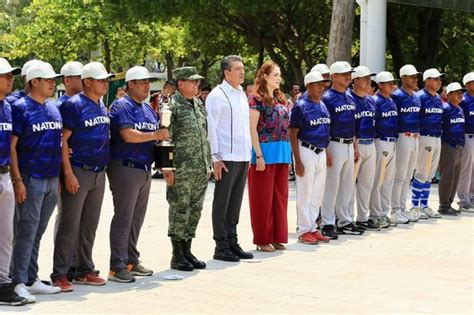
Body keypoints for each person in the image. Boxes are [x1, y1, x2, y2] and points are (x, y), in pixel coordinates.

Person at [51, 62, 113, 291]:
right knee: (70, 225)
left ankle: (84, 270)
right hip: (78, 169)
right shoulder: (74, 105)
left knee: (89, 225)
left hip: (98, 172)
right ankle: (60, 273)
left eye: (106, 79)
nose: (105, 83)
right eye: (101, 80)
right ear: (87, 81)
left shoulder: (101, 105)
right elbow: (62, 140)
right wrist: (67, 173)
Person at [107, 66, 169, 283]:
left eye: (148, 82)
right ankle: (116, 265)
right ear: (131, 83)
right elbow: (128, 136)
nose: (147, 85)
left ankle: (131, 259)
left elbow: (156, 136)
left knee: (136, 219)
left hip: (144, 168)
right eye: (142, 82)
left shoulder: (147, 108)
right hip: (125, 166)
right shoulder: (122, 105)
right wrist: (155, 133)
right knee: (124, 217)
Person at [10, 61, 62, 303]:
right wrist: (18, 180)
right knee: (25, 232)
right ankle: (17, 281)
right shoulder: (20, 108)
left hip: (51, 178)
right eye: (48, 79)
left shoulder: (53, 108)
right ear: (34, 82)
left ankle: (31, 278)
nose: (53, 83)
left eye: (54, 79)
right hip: (31, 178)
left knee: (37, 232)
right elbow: (12, 147)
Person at [163, 67, 211, 271]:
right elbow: (164, 137)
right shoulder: (171, 106)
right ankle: (177, 254)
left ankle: (187, 250)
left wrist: (207, 163)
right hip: (180, 168)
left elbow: (204, 135)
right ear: (180, 83)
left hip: (199, 167)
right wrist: (166, 167)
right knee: (179, 210)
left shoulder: (198, 103)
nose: (196, 85)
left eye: (197, 82)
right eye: (193, 82)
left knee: (195, 210)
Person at [206, 55, 253, 261]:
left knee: (235, 203)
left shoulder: (241, 94)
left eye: (243, 68)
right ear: (226, 73)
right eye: (237, 69)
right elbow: (212, 128)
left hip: (242, 156)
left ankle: (232, 241)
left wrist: (249, 154)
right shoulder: (217, 95)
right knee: (222, 202)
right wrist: (215, 157)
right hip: (225, 157)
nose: (242, 72)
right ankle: (221, 245)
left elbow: (245, 128)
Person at [248, 61, 291, 252]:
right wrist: (258, 155)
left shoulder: (282, 99)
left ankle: (277, 236)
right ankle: (262, 239)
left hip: (282, 153)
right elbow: (252, 129)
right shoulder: (256, 99)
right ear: (265, 77)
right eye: (275, 75)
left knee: (280, 198)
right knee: (262, 200)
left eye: (279, 74)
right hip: (263, 154)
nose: (279, 78)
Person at [320, 61, 363, 238]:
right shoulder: (327, 98)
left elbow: (353, 123)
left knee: (347, 185)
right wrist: (326, 149)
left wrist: (355, 145)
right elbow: (323, 125)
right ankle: (327, 222)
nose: (348, 76)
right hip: (334, 143)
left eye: (349, 73)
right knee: (331, 185)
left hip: (348, 144)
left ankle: (344, 220)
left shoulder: (350, 96)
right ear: (333, 76)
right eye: (344, 73)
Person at [289, 71, 332, 244]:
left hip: (320, 151)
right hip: (306, 149)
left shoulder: (322, 105)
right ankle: (303, 229)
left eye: (323, 84)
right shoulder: (301, 106)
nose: (322, 87)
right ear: (308, 86)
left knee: (317, 193)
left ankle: (313, 227)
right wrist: (297, 161)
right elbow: (292, 133)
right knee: (305, 193)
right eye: (317, 84)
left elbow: (325, 130)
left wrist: (327, 152)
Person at [0, 58, 27, 306]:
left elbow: (11, 145)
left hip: (5, 174)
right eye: (5, 75)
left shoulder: (7, 106)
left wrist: (16, 179)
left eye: (11, 75)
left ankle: (2, 283)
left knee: (6, 234)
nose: (10, 78)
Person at [370, 72, 405, 226]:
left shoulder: (391, 100)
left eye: (393, 83)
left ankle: (384, 211)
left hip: (392, 142)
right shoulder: (375, 101)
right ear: (380, 85)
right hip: (381, 141)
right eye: (388, 83)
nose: (392, 85)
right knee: (378, 179)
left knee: (388, 181)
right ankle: (375, 213)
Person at [349, 66, 382, 230]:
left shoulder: (370, 100)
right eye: (364, 78)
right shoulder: (350, 99)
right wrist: (354, 145)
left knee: (366, 184)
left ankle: (362, 217)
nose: (369, 80)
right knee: (349, 184)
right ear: (355, 80)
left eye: (369, 77)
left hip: (371, 143)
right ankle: (346, 219)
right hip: (357, 144)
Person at [411, 69, 445, 218]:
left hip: (437, 137)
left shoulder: (438, 98)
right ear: (426, 80)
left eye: (439, 79)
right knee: (422, 172)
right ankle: (415, 206)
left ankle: (424, 205)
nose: (439, 82)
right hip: (424, 137)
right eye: (435, 79)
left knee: (430, 174)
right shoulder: (420, 97)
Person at [391, 64, 423, 222]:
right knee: (399, 175)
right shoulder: (396, 95)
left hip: (415, 137)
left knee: (408, 175)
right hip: (402, 136)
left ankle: (402, 207)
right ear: (403, 78)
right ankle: (395, 209)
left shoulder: (416, 96)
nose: (415, 79)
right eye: (411, 76)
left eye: (416, 76)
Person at [438, 82, 466, 215]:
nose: (461, 95)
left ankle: (449, 202)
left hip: (459, 147)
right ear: (449, 95)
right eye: (457, 92)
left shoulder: (459, 109)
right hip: (448, 146)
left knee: (455, 177)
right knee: (447, 177)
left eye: (461, 92)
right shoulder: (446, 109)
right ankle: (443, 205)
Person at [457, 72, 474, 213]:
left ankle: (472, 196)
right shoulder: (464, 100)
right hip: (467, 136)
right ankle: (463, 199)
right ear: (467, 85)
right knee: (466, 169)